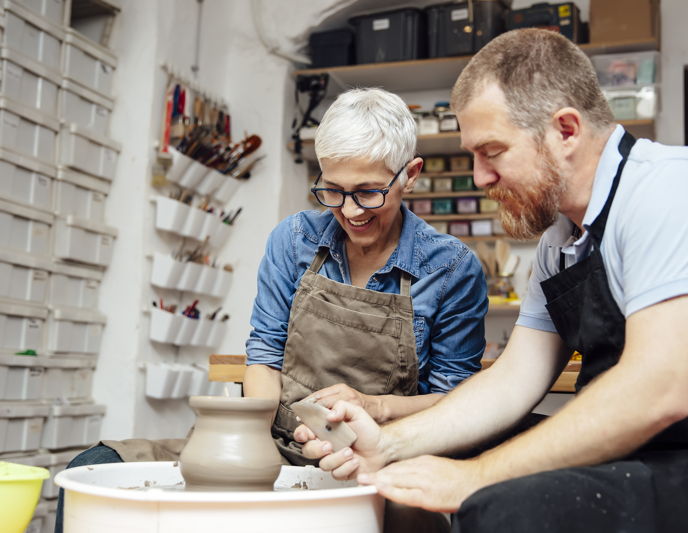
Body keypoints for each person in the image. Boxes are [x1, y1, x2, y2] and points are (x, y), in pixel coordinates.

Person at [297, 29, 688, 532]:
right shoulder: (560, 242)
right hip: (659, 453)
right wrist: (390, 444)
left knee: (507, 506)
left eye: (492, 151)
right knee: (464, 444)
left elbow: (657, 392)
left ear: (565, 130)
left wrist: (471, 479)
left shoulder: (675, 188)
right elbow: (513, 381)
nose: (479, 177)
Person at [56, 88, 487, 533]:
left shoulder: (452, 268)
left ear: (410, 174)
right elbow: (264, 354)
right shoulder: (295, 239)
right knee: (92, 467)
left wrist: (375, 407)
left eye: (368, 192)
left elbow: (455, 403)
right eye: (333, 191)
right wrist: (251, 445)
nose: (350, 211)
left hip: (380, 457)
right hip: (276, 441)